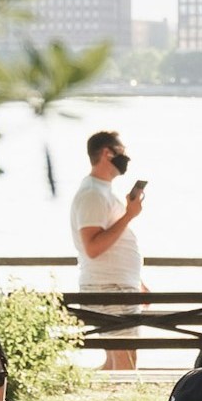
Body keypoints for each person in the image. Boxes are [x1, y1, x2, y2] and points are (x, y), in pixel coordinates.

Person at [69, 129, 147, 371]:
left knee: (116, 363)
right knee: (125, 364)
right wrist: (129, 215)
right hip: (109, 290)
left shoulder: (101, 191)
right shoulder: (92, 194)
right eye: (122, 152)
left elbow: (112, 242)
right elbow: (92, 247)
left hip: (117, 287)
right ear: (106, 153)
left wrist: (137, 282)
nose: (126, 159)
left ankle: (80, 391)